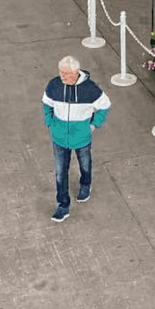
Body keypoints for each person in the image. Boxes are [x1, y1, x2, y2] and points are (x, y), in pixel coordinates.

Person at [42, 56, 111, 223]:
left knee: (85, 163)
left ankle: (85, 184)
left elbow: (105, 105)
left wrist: (93, 125)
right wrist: (50, 122)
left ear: (77, 72)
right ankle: (63, 206)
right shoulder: (54, 85)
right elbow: (47, 103)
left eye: (67, 74)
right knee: (60, 173)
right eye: (61, 73)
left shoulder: (91, 89)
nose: (63, 77)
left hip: (82, 137)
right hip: (59, 138)